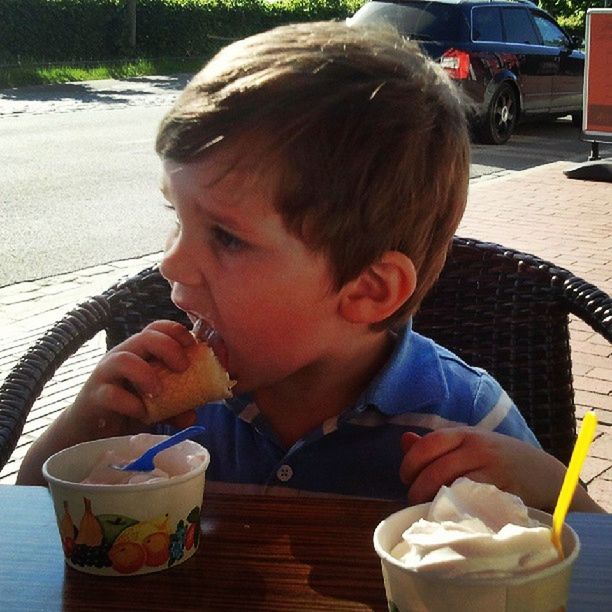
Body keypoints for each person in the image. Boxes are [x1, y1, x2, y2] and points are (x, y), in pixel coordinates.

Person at [18, 21, 603, 512]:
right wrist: (84, 425)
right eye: (177, 216)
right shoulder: (168, 413)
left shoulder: (463, 418)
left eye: (225, 237)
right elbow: (29, 511)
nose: (172, 262)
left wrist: (548, 488)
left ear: (368, 290)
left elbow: (591, 561)